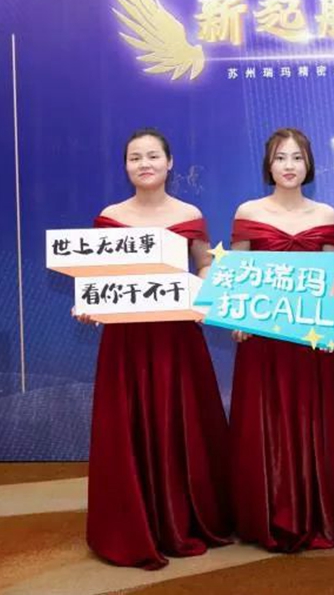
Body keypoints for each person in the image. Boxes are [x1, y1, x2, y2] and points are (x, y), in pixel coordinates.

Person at [79, 128, 232, 569]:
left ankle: (184, 517)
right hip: (125, 341)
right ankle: (132, 523)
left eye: (152, 156)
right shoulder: (110, 217)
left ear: (169, 163)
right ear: (125, 166)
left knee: (180, 421)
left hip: (177, 338)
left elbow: (204, 264)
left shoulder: (189, 214)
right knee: (127, 425)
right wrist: (89, 303)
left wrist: (204, 295)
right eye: (134, 157)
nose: (144, 164)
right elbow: (97, 276)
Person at [229, 127, 334, 552]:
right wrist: (238, 317)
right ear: (268, 165)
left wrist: (329, 323)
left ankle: (317, 509)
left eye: (297, 158)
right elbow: (236, 271)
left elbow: (330, 276)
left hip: (309, 335)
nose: (289, 166)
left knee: (311, 419)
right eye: (280, 157)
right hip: (262, 337)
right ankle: (266, 513)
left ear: (309, 165)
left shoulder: (324, 214)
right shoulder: (248, 211)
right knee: (265, 420)